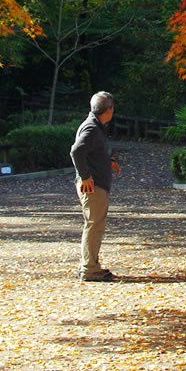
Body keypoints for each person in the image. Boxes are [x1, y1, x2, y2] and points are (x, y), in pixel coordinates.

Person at [70, 91, 121, 281]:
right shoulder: (91, 128)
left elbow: (91, 152)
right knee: (93, 226)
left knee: (95, 225)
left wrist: (107, 161)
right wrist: (85, 177)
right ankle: (89, 269)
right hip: (93, 187)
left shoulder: (95, 126)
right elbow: (76, 151)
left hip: (97, 184)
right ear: (108, 110)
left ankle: (91, 265)